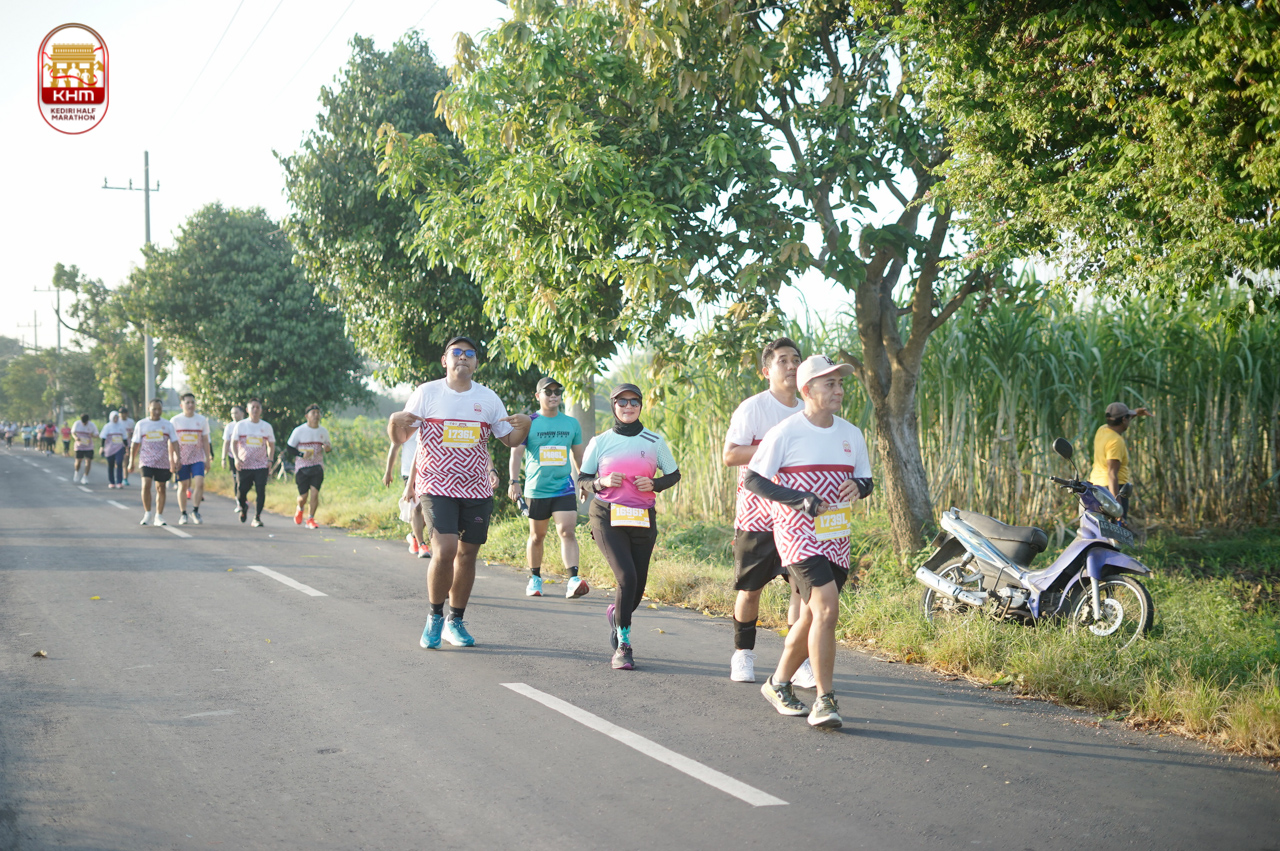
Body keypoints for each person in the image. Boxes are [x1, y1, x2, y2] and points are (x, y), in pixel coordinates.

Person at [746, 354, 873, 729]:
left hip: (836, 536)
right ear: (807, 389)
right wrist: (799, 499)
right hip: (797, 535)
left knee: (812, 616)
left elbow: (866, 480)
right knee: (828, 610)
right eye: (830, 383)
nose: (839, 390)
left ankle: (778, 683)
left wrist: (859, 487)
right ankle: (824, 699)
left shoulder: (851, 434)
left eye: (840, 383)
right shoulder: (785, 432)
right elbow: (753, 479)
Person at [387, 336, 531, 650]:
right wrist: (392, 422)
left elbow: (509, 440)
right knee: (445, 550)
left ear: (476, 362)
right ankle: (434, 617)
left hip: (476, 487)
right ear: (445, 360)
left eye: (469, 353)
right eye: (456, 352)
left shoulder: (488, 398)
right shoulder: (427, 393)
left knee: (467, 555)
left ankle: (455, 620)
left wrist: (525, 427)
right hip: (436, 483)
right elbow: (401, 437)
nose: (462, 357)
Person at [577, 383, 682, 671]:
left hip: (642, 518)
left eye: (634, 401)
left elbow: (674, 474)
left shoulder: (654, 441)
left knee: (637, 585)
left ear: (640, 406)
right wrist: (601, 482)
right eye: (622, 402)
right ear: (614, 406)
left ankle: (617, 613)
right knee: (626, 577)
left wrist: (655, 484)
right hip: (607, 516)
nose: (628, 406)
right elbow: (583, 479)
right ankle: (623, 645)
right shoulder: (600, 441)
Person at [723, 337, 809, 685]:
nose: (791, 366)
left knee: (801, 590)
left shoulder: (809, 410)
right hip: (757, 515)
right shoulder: (753, 409)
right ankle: (743, 654)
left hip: (797, 516)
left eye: (796, 360)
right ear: (766, 371)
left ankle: (797, 662)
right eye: (783, 360)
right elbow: (730, 455)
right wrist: (775, 447)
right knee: (751, 589)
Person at [508, 376, 588, 599]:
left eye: (557, 392)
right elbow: (516, 454)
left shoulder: (571, 423)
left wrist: (583, 481)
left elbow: (578, 455)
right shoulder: (529, 422)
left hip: (564, 487)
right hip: (537, 489)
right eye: (548, 392)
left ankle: (573, 580)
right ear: (538, 396)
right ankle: (535, 578)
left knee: (567, 531)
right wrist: (514, 482)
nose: (554, 396)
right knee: (537, 536)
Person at [1088, 401, 1152, 520]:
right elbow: (1112, 474)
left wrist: (1135, 413)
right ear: (1123, 419)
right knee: (1117, 527)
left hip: (1096, 486)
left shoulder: (1102, 429)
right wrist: (1116, 506)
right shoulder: (1116, 441)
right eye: (1128, 417)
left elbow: (1120, 419)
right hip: (1113, 489)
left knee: (1102, 527)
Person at [129, 398, 180, 526]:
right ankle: (147, 513)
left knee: (161, 487)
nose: (157, 412)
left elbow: (174, 442)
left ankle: (159, 516)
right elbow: (135, 444)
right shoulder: (141, 424)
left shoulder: (167, 425)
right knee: (146, 485)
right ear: (149, 409)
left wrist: (178, 458)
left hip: (162, 461)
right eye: (154, 409)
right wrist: (131, 461)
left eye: (159, 409)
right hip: (146, 460)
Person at [384, 428, 432, 559]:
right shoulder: (405, 425)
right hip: (408, 472)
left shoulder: (432, 422)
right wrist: (388, 472)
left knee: (431, 509)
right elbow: (394, 447)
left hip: (429, 472)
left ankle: (413, 535)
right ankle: (422, 545)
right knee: (417, 507)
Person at [170, 393, 212, 525]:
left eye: (192, 402)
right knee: (183, 486)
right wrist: (172, 459)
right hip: (181, 458)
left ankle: (195, 510)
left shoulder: (202, 420)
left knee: (200, 483)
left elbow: (205, 440)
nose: (190, 405)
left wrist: (207, 459)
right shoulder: (175, 420)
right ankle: (183, 513)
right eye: (187, 402)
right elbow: (171, 442)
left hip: (197, 457)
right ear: (181, 405)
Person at [287, 404, 331, 529]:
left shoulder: (323, 431)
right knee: (303, 497)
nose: (316, 415)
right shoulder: (299, 431)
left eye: (318, 413)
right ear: (307, 416)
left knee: (315, 493)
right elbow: (289, 448)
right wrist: (301, 454)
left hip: (317, 466)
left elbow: (328, 448)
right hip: (302, 467)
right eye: (313, 413)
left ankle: (310, 518)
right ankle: (300, 508)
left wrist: (327, 448)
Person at [232, 399, 275, 527]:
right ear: (247, 410)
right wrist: (236, 458)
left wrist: (270, 459)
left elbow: (271, 444)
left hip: (261, 465)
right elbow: (233, 443)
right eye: (253, 407)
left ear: (261, 410)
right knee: (241, 491)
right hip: (244, 464)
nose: (255, 410)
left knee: (261, 490)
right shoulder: (241, 425)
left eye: (257, 407)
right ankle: (243, 506)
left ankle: (257, 517)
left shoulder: (266, 426)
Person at [221, 404, 245, 514]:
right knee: (236, 480)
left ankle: (244, 499)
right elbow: (226, 443)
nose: (234, 415)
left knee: (244, 480)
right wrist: (223, 458)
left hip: (246, 458)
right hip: (233, 457)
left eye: (236, 413)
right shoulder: (229, 427)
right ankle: (239, 503)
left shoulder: (247, 425)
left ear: (242, 413)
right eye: (232, 413)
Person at [99, 412, 130, 489]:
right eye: (114, 417)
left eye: (117, 417)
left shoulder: (121, 426)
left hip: (119, 448)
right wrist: (102, 447)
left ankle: (119, 482)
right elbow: (103, 437)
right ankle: (112, 482)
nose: (116, 419)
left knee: (119, 463)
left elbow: (124, 438)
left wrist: (127, 447)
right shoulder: (107, 426)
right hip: (109, 449)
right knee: (111, 465)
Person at [72, 414, 99, 484]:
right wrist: (75, 438)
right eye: (83, 422)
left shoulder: (92, 425)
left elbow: (97, 435)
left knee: (88, 461)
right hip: (79, 446)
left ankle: (85, 476)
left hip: (88, 446)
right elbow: (73, 433)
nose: (84, 423)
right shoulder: (77, 424)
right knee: (78, 461)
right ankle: (76, 472)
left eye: (85, 422)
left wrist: (92, 435)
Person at [118, 407, 135, 486]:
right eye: (120, 413)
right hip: (118, 445)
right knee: (119, 462)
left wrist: (131, 434)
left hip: (128, 445)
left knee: (126, 461)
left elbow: (134, 432)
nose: (122, 415)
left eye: (123, 413)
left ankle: (125, 478)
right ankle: (119, 477)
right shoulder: (117, 421)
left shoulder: (131, 422)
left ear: (127, 414)